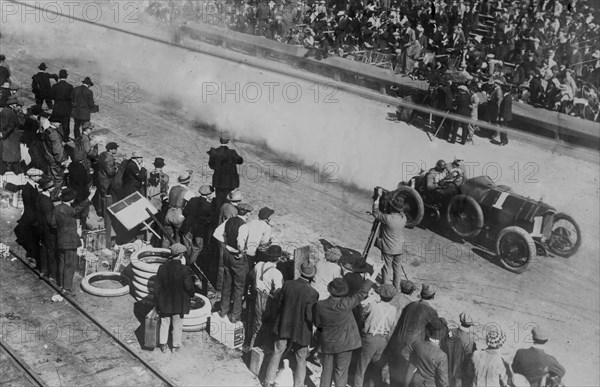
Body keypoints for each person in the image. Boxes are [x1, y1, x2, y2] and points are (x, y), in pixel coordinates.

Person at [315, 264, 381, 387]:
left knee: (326, 371)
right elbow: (362, 292)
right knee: (341, 372)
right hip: (345, 344)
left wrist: (320, 334)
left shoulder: (320, 305)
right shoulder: (346, 304)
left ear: (330, 290)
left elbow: (318, 324)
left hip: (328, 342)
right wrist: (375, 272)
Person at [264, 262, 319, 387]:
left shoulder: (288, 284)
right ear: (311, 276)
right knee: (301, 360)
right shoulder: (313, 293)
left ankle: (268, 381)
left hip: (284, 325)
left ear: (301, 272)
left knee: (277, 352)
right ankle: (298, 385)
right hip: (301, 330)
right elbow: (310, 316)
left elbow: (280, 303)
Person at [389, 284, 440, 387]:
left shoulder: (410, 305)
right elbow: (436, 329)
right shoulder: (431, 311)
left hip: (398, 341)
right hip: (412, 347)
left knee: (395, 372)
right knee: (407, 376)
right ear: (433, 296)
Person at [50, 186, 97, 297]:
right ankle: (66, 288)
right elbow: (79, 208)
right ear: (71, 199)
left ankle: (61, 284)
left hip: (60, 239)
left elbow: (53, 224)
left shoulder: (57, 208)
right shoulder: (69, 210)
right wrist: (91, 195)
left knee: (62, 262)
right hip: (70, 241)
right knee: (70, 264)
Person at [214, 203, 253, 323]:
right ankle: (235, 316)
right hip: (237, 257)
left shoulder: (229, 221)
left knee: (227, 283)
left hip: (227, 254)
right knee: (239, 287)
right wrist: (240, 252)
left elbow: (217, 233)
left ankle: (223, 310)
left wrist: (226, 244)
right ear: (246, 214)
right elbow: (241, 243)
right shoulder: (244, 226)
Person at [353, 284, 398, 387]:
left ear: (380, 294)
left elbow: (360, 308)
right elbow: (391, 325)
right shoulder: (393, 309)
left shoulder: (373, 305)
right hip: (382, 340)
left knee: (361, 368)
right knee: (375, 368)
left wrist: (371, 298)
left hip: (369, 338)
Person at [154, 243, 196, 353]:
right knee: (177, 324)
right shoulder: (184, 269)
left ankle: (163, 345)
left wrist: (158, 301)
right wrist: (192, 294)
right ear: (181, 255)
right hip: (178, 303)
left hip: (165, 303)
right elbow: (189, 287)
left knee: (164, 323)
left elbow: (157, 287)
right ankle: (176, 346)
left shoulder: (162, 268)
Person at [246, 244, 284, 351]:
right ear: (278, 258)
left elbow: (250, 276)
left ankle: (252, 346)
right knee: (265, 327)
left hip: (257, 296)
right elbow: (278, 293)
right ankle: (254, 350)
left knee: (257, 324)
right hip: (268, 301)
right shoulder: (277, 273)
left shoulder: (259, 265)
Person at [372, 186, 406, 291]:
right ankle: (396, 288)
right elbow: (400, 211)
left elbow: (376, 212)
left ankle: (386, 290)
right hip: (399, 249)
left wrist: (378, 198)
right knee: (397, 271)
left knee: (387, 269)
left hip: (389, 249)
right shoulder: (403, 218)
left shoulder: (387, 218)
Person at [400, 318, 449, 387]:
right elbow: (443, 381)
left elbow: (404, 353)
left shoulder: (418, 344)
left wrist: (415, 363)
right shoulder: (442, 356)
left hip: (415, 381)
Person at [16, 168, 43, 270]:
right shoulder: (28, 189)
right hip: (31, 218)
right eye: (38, 176)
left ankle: (32, 254)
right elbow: (31, 206)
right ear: (32, 177)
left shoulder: (32, 186)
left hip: (31, 216)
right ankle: (32, 256)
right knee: (32, 238)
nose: (39, 178)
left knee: (33, 238)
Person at [181, 185, 215, 266]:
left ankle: (186, 261)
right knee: (198, 246)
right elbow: (209, 219)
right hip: (198, 229)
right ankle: (190, 263)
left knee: (187, 245)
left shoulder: (192, 200)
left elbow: (184, 212)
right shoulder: (208, 205)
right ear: (208, 195)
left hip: (187, 226)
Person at [207, 136, 243, 211]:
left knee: (219, 202)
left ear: (220, 142)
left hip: (218, 182)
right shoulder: (232, 152)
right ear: (228, 142)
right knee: (228, 201)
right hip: (230, 183)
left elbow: (211, 165)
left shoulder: (214, 151)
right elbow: (240, 161)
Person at [441, 312, 476, 386]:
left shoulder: (451, 331)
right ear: (470, 324)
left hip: (446, 365)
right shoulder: (469, 340)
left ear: (460, 321)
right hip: (458, 371)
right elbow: (468, 358)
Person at [162, 172, 194, 247]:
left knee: (166, 238)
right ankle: (176, 254)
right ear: (188, 182)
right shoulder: (188, 192)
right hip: (179, 215)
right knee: (178, 239)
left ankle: (163, 254)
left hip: (168, 213)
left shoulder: (172, 187)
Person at [36, 177, 58, 282]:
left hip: (41, 229)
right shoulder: (46, 202)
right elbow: (50, 220)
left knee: (44, 250)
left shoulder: (40, 197)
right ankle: (52, 274)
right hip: (49, 231)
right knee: (51, 252)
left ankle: (43, 270)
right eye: (52, 186)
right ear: (49, 188)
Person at [39, 117, 68, 196]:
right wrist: (62, 161)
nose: (60, 124)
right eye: (58, 122)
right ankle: (54, 196)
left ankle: (48, 194)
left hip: (48, 157)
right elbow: (57, 150)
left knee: (50, 177)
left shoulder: (46, 131)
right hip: (55, 161)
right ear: (53, 122)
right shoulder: (54, 133)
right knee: (58, 179)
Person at [0, 95, 22, 175]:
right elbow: (10, 125)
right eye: (15, 103)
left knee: (6, 157)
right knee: (12, 157)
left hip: (9, 138)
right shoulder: (9, 112)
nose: (16, 105)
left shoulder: (7, 111)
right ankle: (17, 172)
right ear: (11, 104)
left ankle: (4, 171)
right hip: (10, 138)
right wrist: (3, 134)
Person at [95, 142, 118, 215]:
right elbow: (110, 172)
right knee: (106, 197)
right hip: (107, 180)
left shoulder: (102, 154)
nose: (116, 150)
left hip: (101, 177)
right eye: (115, 149)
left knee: (101, 195)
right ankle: (105, 213)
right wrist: (116, 169)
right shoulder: (109, 158)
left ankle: (100, 211)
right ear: (110, 150)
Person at [50, 69, 73, 141]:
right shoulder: (70, 86)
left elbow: (52, 96)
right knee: (66, 125)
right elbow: (72, 98)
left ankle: (56, 138)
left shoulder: (55, 86)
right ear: (66, 77)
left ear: (59, 77)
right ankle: (65, 139)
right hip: (66, 108)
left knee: (56, 124)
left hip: (57, 107)